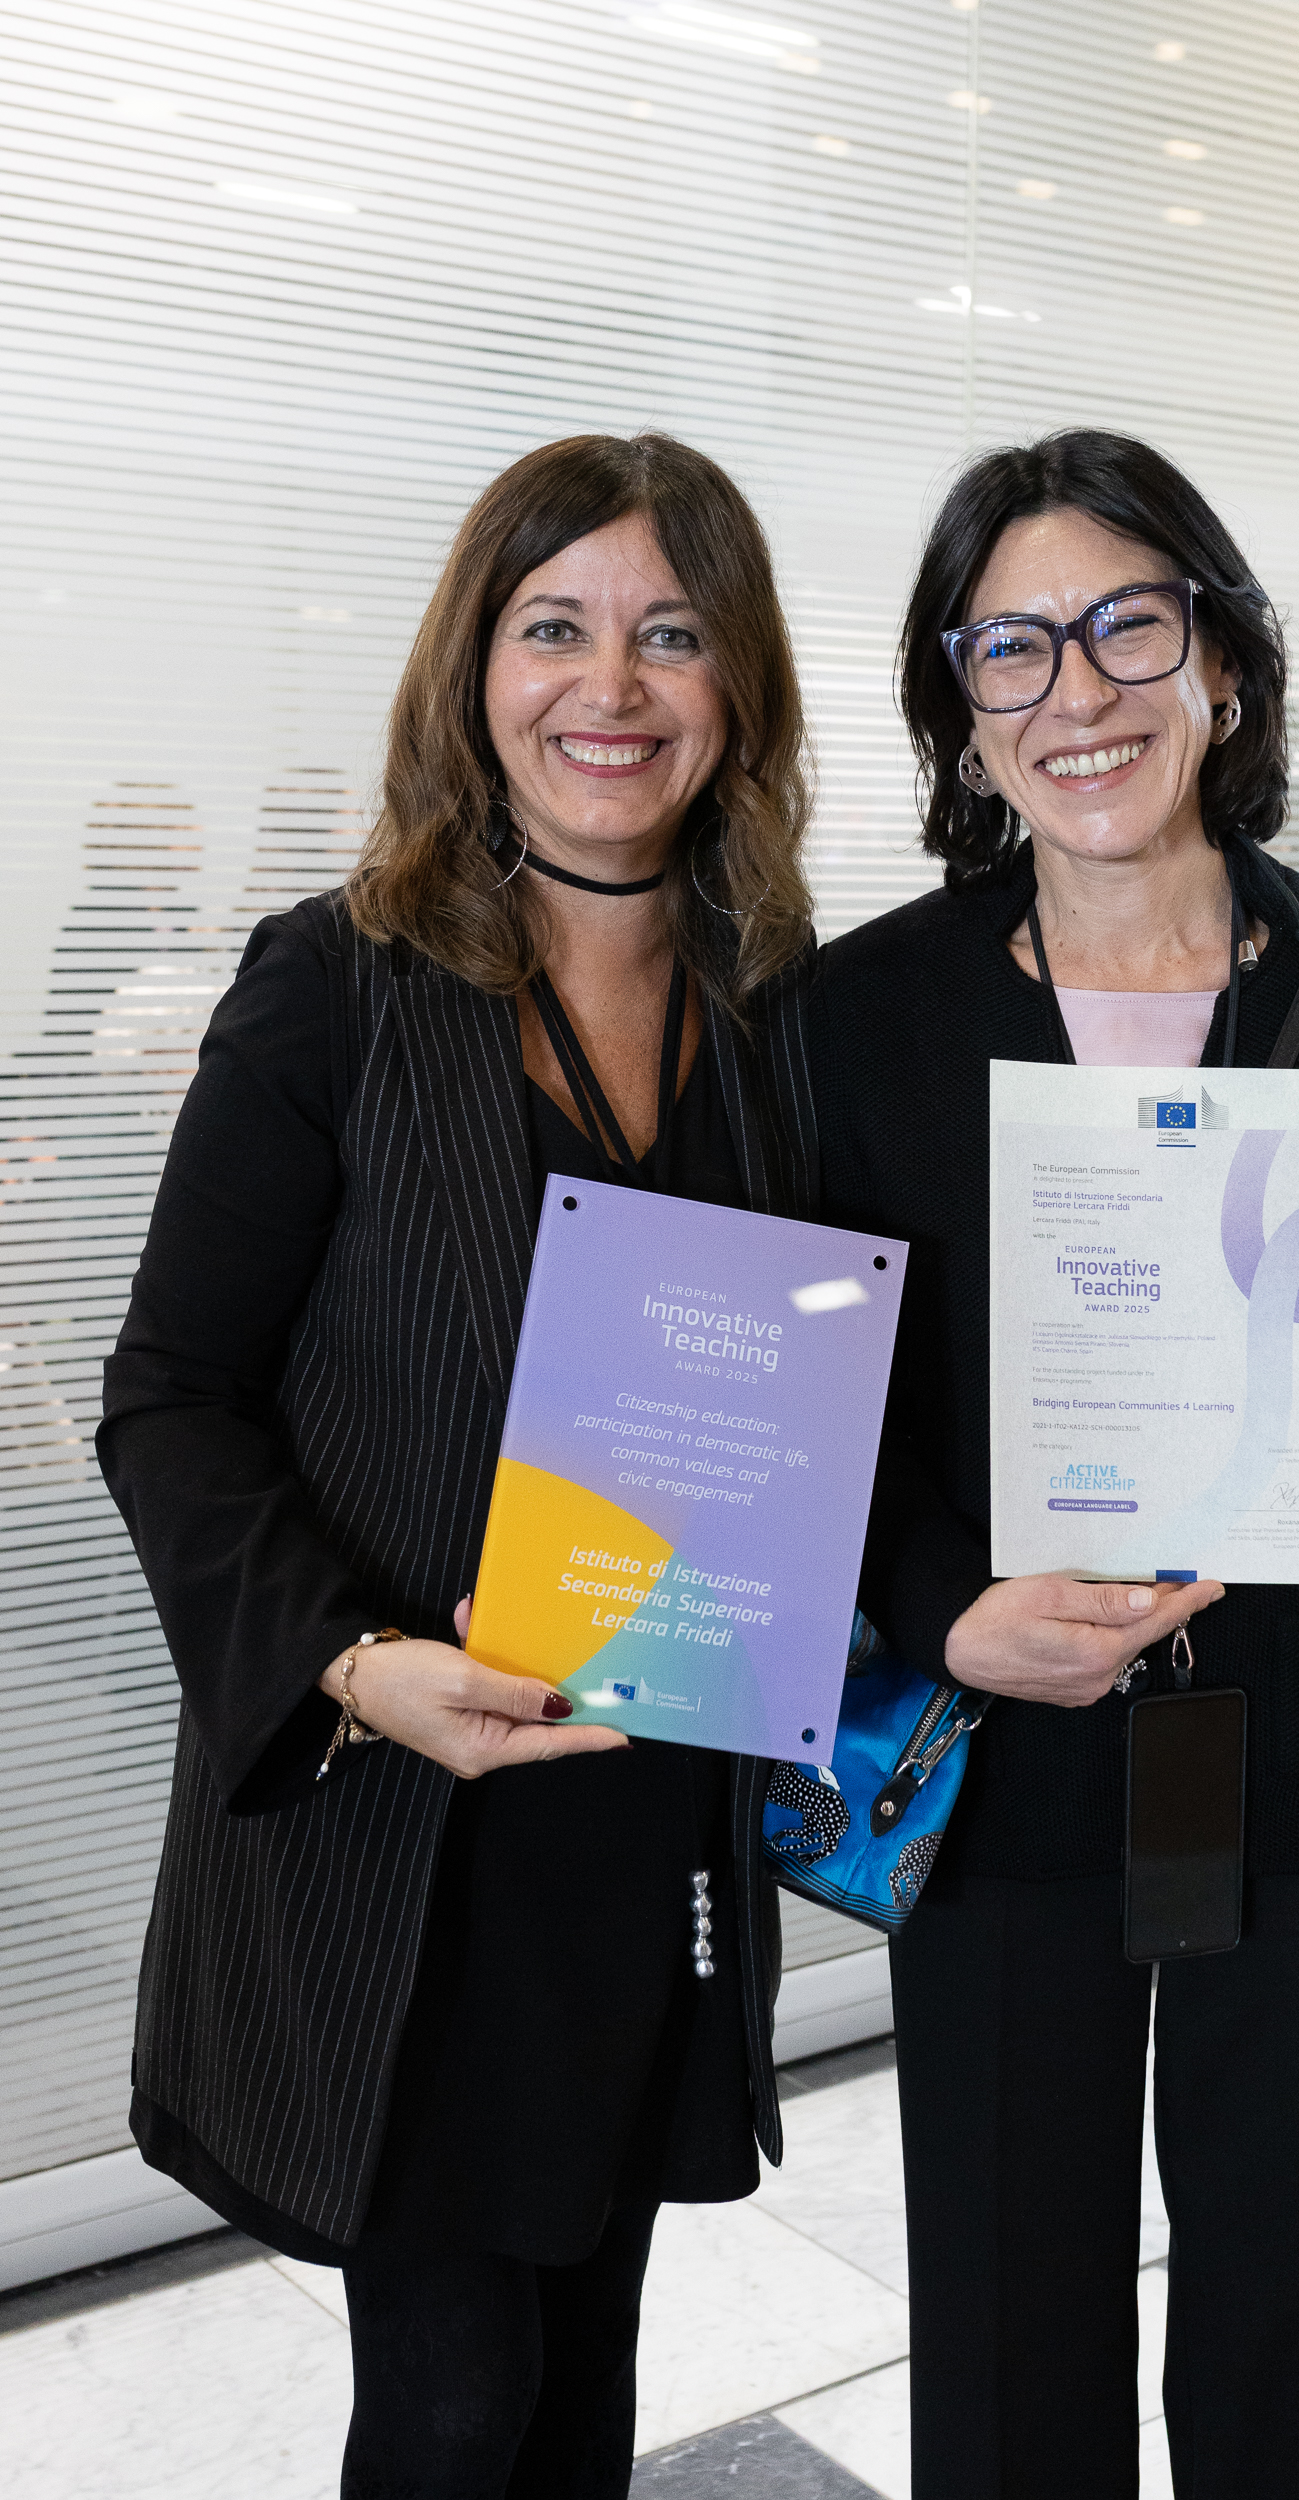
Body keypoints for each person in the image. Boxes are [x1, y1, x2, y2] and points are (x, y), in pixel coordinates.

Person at [810, 430, 1299, 2500]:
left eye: (1128, 625)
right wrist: (944, 1614)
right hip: (1008, 1765)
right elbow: (819, 1414)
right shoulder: (858, 1015)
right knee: (1008, 2360)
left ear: (1222, 658)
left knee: (1298, 2356)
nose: (1080, 691)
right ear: (963, 711)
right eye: (1013, 647)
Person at [100, 431, 818, 2499]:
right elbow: (170, 1394)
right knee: (448, 2400)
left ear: (737, 681)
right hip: (401, 1809)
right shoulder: (333, 987)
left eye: (671, 633)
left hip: (646, 1809)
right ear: (473, 668)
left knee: (585, 2378)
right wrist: (351, 1664)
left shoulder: (779, 1020)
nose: (612, 685)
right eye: (555, 627)